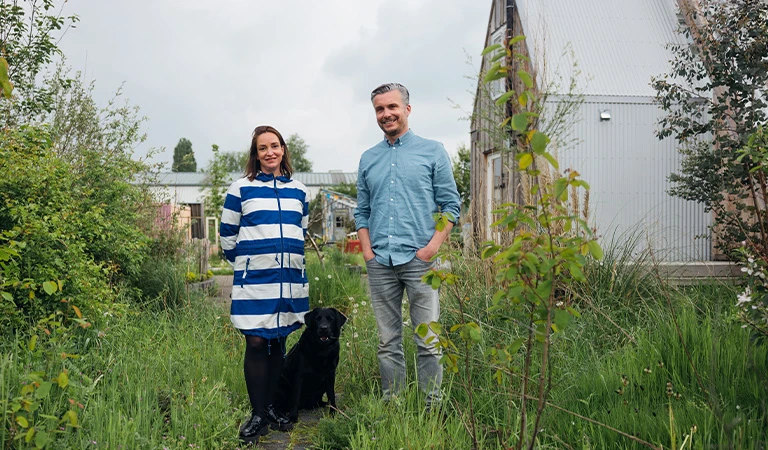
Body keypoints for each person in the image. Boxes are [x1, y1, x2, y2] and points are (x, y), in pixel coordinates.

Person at [354, 83, 461, 409]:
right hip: (380, 262)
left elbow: (451, 206)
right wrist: (367, 252)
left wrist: (432, 248)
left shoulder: (432, 151)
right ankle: (394, 408)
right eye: (379, 109)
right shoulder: (368, 158)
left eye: (391, 107)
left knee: (428, 341)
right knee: (388, 342)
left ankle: (432, 410)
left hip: (420, 260)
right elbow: (362, 211)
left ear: (407, 109)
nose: (385, 114)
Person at [219, 125, 310, 445]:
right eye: (262, 148)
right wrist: (248, 265)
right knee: (257, 342)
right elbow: (227, 237)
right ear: (255, 155)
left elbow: (302, 228)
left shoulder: (299, 190)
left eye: (275, 145)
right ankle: (257, 414)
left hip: (288, 281)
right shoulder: (240, 188)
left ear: (283, 149)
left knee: (278, 340)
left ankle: (271, 407)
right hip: (255, 281)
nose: (269, 152)